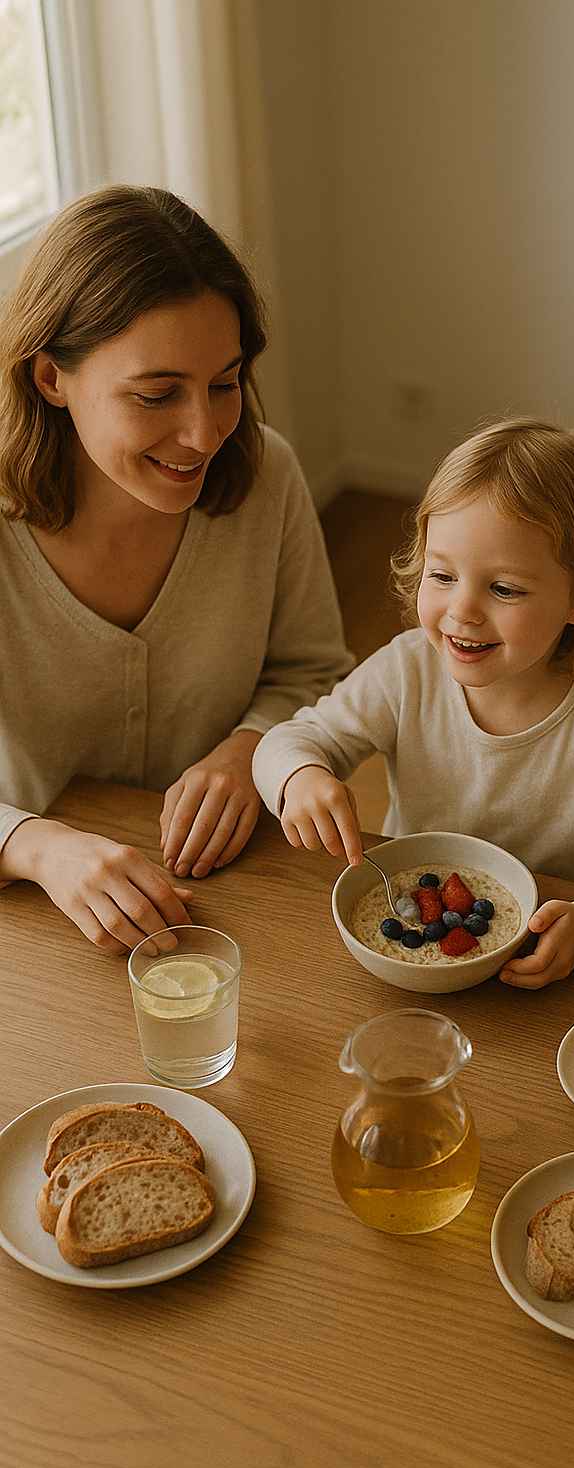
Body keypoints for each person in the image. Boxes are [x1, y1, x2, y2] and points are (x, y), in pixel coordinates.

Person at [0, 185, 354, 953]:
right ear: (51, 380)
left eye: (224, 384)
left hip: (227, 900)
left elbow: (315, 672)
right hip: (36, 919)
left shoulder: (268, 478)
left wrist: (250, 747)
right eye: (158, 393)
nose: (204, 432)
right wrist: (38, 847)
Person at [253, 417, 574, 987]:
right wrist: (300, 775)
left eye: (504, 589)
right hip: (409, 961)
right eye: (441, 574)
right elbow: (287, 740)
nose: (462, 611)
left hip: (546, 965)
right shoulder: (407, 670)